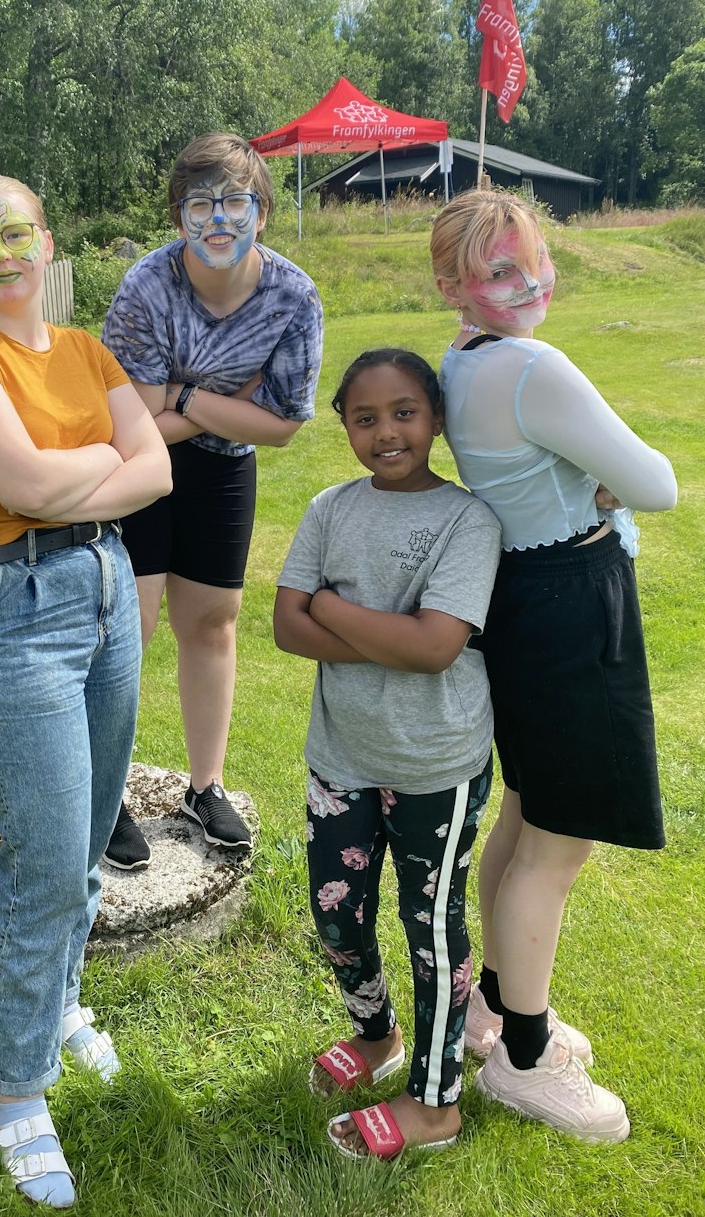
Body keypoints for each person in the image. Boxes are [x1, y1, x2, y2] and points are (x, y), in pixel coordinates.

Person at [0, 175, 170, 1208]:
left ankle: (59, 1003)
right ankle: (19, 1092)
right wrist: (106, 456)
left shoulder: (87, 351)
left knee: (93, 829)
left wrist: (75, 473)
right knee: (48, 857)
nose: (1, 252)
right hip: (10, 607)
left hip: (107, 589)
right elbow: (18, 486)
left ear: (47, 241)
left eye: (15, 232)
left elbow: (158, 472)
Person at [431, 190, 677, 1143]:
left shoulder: (465, 355)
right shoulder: (532, 365)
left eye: (533, 260)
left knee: (529, 811)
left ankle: (493, 1008)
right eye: (499, 270)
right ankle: (526, 1060)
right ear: (453, 284)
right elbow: (656, 482)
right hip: (569, 602)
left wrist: (592, 479)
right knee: (557, 844)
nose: (528, 281)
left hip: (524, 599)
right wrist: (607, 482)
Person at [274, 348, 501, 1158]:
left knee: (430, 926)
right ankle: (378, 1037)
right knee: (336, 913)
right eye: (365, 418)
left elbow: (436, 648)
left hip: (436, 761)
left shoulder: (468, 521)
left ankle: (436, 1102)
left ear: (435, 416)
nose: (387, 432)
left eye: (404, 412)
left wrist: (333, 608)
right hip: (342, 754)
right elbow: (286, 625)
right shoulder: (330, 508)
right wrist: (389, 635)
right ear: (344, 425)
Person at [100, 132, 323, 868]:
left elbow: (283, 425)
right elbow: (137, 420)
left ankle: (206, 786)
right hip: (141, 466)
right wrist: (232, 401)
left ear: (263, 210)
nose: (218, 218)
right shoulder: (146, 286)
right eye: (200, 204)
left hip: (225, 468)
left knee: (213, 624)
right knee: (127, 628)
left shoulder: (293, 296)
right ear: (179, 217)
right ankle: (105, 796)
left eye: (235, 200)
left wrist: (188, 396)